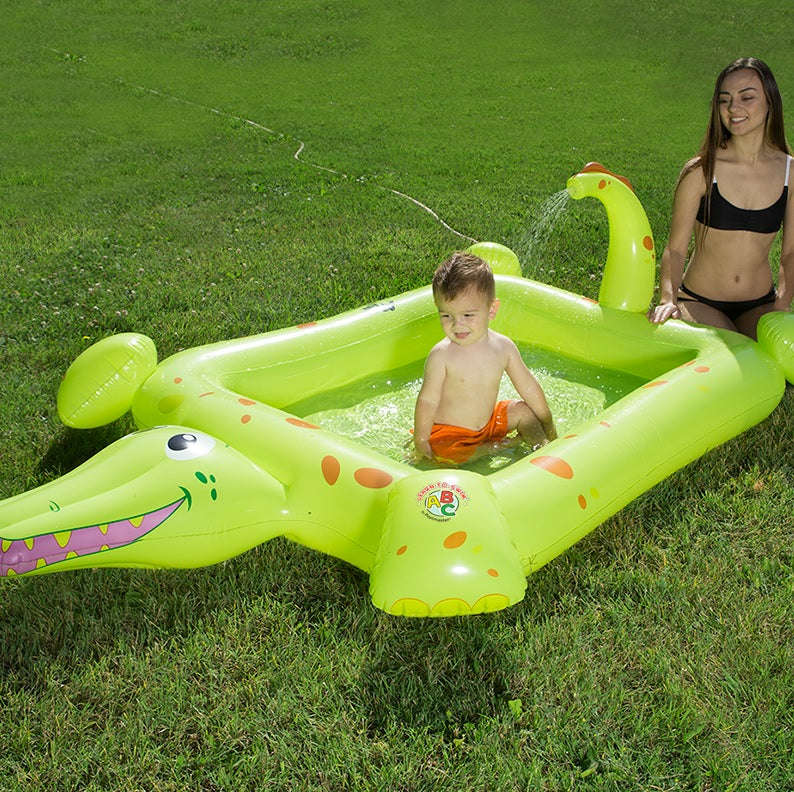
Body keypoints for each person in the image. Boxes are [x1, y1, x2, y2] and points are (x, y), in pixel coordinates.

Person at [648, 57, 794, 339]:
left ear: (770, 102)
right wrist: (668, 298)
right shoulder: (701, 171)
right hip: (701, 301)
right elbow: (675, 250)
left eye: (746, 97)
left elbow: (790, 253)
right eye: (724, 100)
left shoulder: (790, 172)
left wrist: (781, 306)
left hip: (761, 303)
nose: (733, 108)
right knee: (738, 352)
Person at [413, 251, 556, 465]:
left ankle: (543, 451)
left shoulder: (503, 347)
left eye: (468, 315)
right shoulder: (442, 355)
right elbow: (427, 400)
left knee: (525, 412)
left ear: (491, 310)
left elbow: (527, 385)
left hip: (489, 423)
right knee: (445, 454)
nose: (457, 324)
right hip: (452, 434)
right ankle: (491, 449)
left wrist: (546, 420)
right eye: (446, 315)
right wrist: (421, 440)